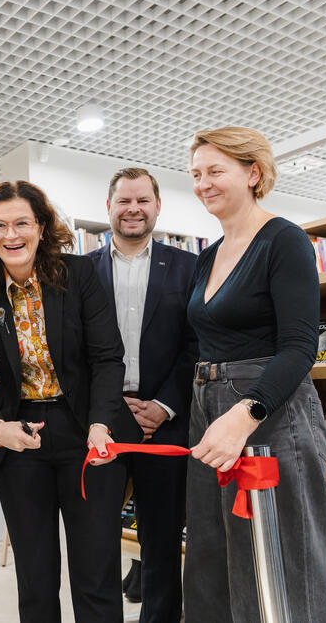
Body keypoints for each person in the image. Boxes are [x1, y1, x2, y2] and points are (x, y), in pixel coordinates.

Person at [184, 127, 326, 621]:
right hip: (207, 407)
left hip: (268, 413)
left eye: (215, 171)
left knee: (287, 554)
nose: (203, 183)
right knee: (214, 554)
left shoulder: (285, 240)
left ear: (253, 173)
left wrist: (244, 415)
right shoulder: (209, 254)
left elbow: (299, 348)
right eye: (195, 174)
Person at [0, 180, 139, 623]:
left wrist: (102, 425)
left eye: (22, 222)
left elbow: (107, 358)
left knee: (96, 572)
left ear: (41, 227)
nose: (11, 235)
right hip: (20, 437)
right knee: (36, 577)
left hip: (86, 433)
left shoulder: (78, 275)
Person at [87, 168, 198, 622]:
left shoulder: (191, 267)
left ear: (157, 206)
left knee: (162, 539)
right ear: (108, 207)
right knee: (94, 538)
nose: (133, 209)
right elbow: (74, 348)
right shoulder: (80, 271)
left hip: (166, 420)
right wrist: (110, 403)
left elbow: (196, 342)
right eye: (124, 201)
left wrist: (163, 404)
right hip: (101, 420)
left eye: (142, 201)